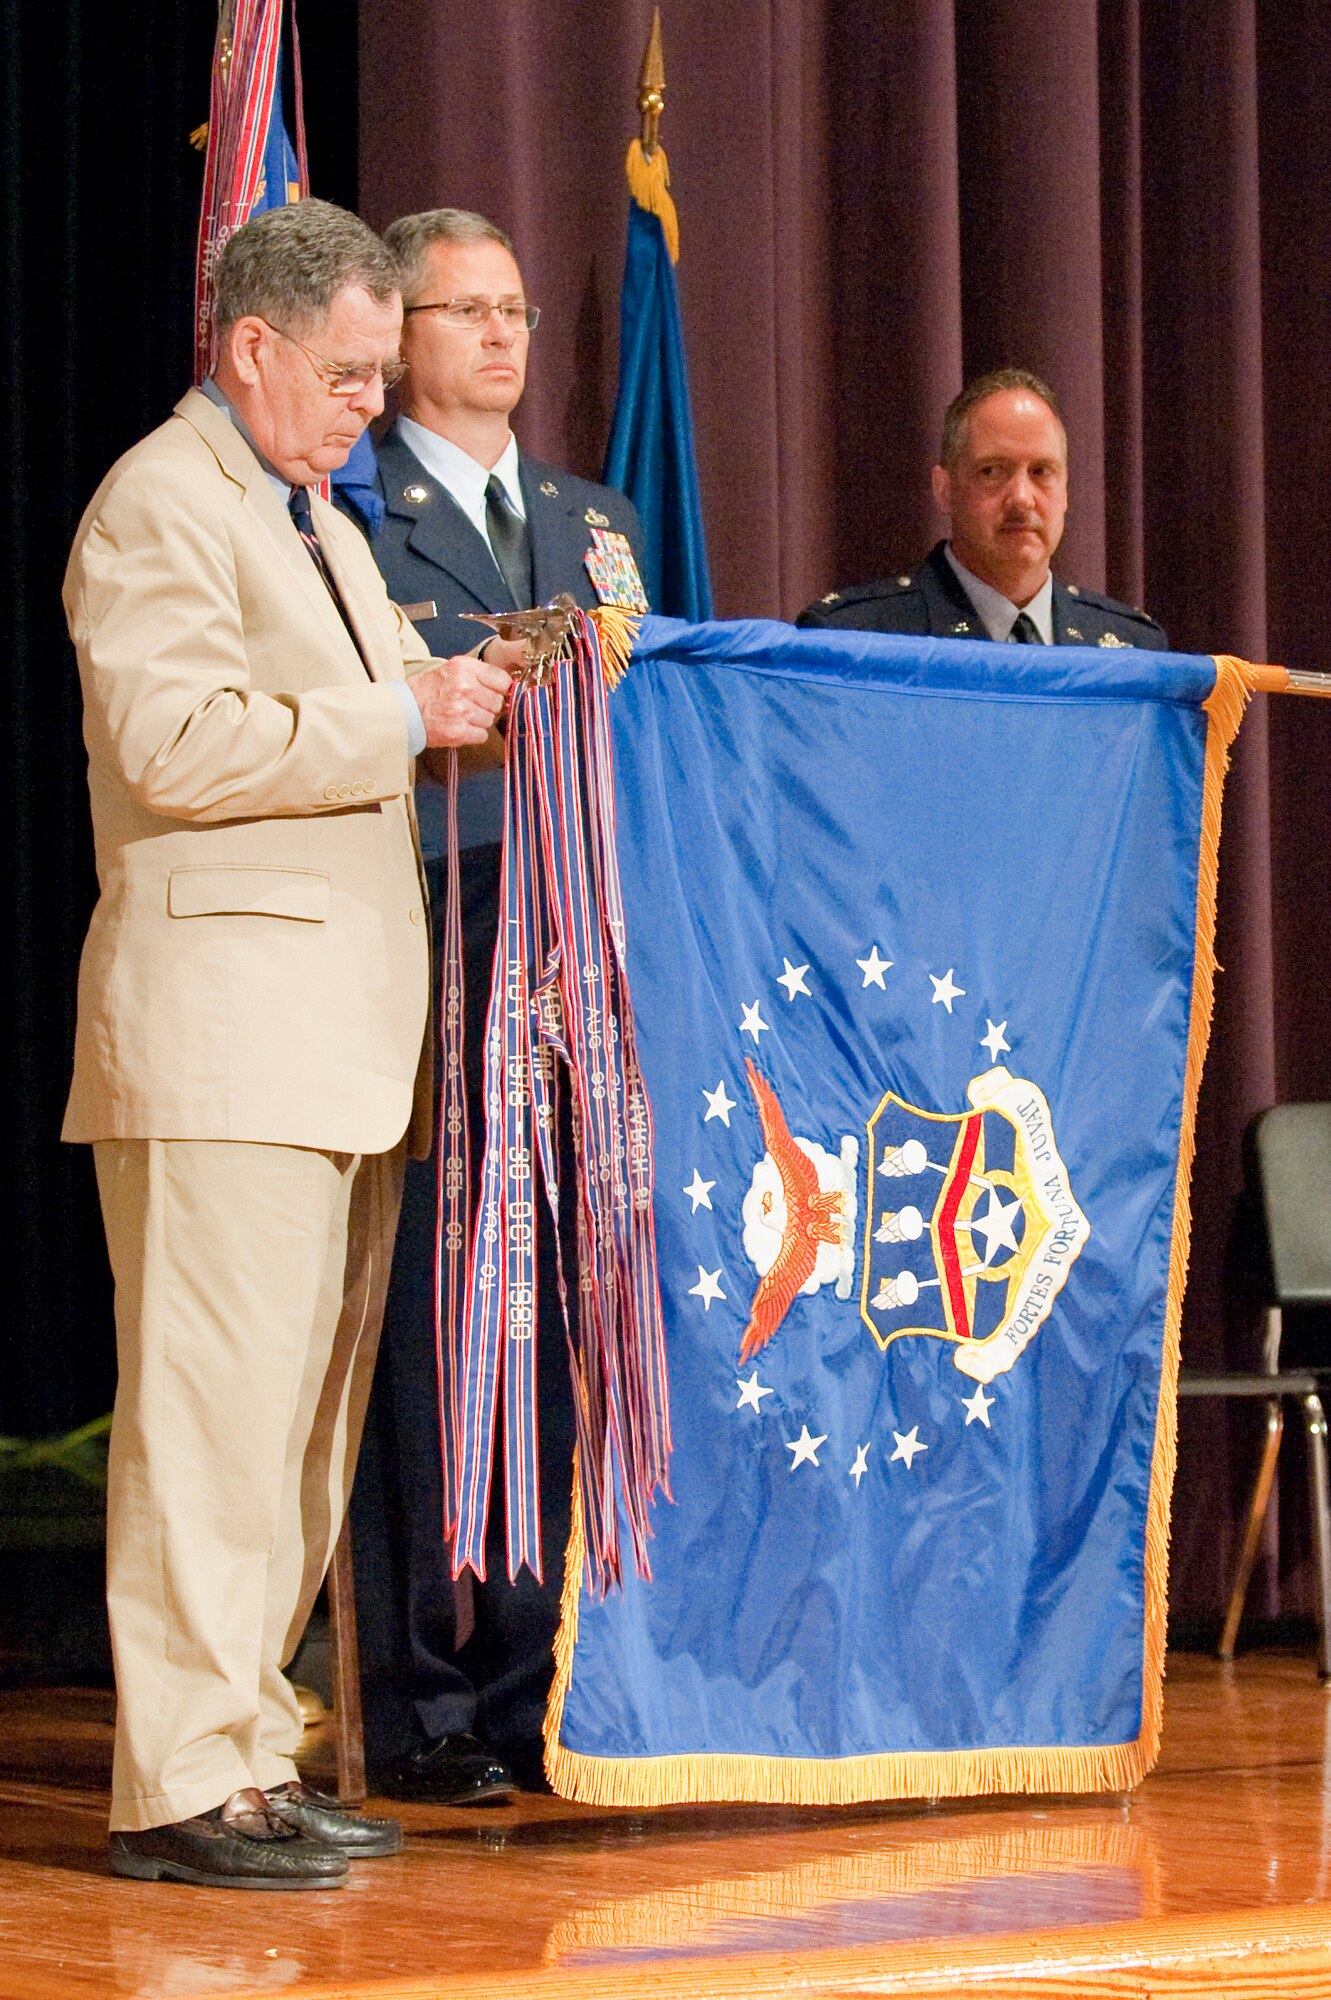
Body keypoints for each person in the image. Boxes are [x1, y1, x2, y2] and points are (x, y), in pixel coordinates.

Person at [62, 199, 516, 1889]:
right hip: (225, 1041)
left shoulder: (313, 521)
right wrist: (406, 714)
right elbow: (174, 740)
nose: (364, 409)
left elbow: (382, 712)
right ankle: (178, 1781)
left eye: (378, 378)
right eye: (342, 375)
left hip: (334, 1049)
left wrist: (483, 688)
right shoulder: (158, 504)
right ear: (250, 346)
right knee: (213, 1422)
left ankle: (249, 1754)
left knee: (300, 1432)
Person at [338, 207, 646, 1803]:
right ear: (394, 335)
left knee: (548, 1321)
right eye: (462, 310)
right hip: (428, 942)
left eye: (515, 309)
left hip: (568, 959)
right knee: (420, 1332)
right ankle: (420, 1701)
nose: (501, 338)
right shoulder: (347, 509)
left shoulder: (590, 518)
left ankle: (540, 1683)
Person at [798, 368, 1166, 648]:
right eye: (992, 471)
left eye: (1041, 472)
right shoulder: (853, 640)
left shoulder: (1132, 647)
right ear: (944, 490)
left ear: (1067, 490)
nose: (1022, 497)